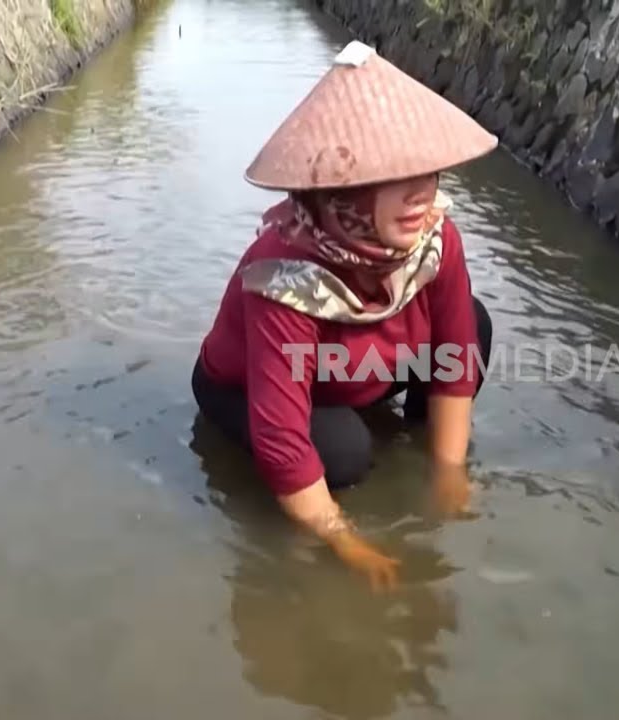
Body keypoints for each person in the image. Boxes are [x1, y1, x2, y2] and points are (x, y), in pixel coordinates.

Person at [190, 41, 497, 592]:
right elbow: (284, 440)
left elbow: (454, 359)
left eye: (427, 173)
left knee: (474, 323)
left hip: (357, 366)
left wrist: (449, 474)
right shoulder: (282, 274)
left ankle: (414, 434)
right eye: (394, 177)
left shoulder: (435, 240)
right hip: (247, 385)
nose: (420, 194)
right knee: (345, 454)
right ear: (342, 191)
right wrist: (345, 541)